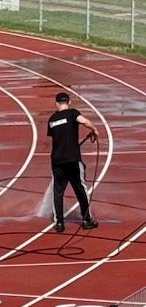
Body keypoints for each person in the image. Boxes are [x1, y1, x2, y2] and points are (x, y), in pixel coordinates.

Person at [47, 91, 99, 232]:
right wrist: (94, 129)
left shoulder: (51, 119)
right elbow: (84, 121)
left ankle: (59, 223)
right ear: (69, 102)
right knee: (81, 190)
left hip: (57, 160)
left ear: (56, 103)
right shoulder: (72, 113)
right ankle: (87, 219)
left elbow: (56, 136)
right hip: (73, 160)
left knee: (58, 192)